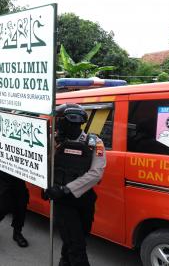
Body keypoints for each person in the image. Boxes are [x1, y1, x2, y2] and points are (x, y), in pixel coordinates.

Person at [43, 103, 106, 266]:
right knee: (76, 245)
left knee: (78, 238)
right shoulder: (53, 141)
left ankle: (64, 262)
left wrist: (66, 189)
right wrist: (45, 186)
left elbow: (96, 173)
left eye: (60, 121)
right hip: (63, 202)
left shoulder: (94, 142)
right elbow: (44, 165)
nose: (57, 124)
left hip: (84, 200)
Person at [0, 168, 29, 247]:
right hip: (1, 172)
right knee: (2, 205)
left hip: (18, 173)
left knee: (21, 204)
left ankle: (17, 233)